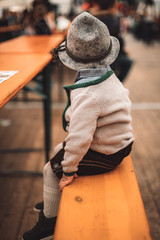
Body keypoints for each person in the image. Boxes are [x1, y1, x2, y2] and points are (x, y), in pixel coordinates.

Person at [22, 12, 134, 240]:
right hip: (121, 143)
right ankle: (53, 199)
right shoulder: (108, 75)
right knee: (57, 151)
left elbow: (80, 138)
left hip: (106, 153)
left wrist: (68, 171)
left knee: (50, 170)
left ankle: (48, 224)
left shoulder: (88, 95)